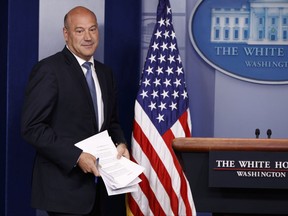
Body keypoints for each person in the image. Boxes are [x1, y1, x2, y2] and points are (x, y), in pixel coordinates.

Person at [21, 6, 129, 216]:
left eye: (93, 29)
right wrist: (77, 156)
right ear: (66, 34)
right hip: (64, 191)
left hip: (103, 190)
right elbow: (32, 128)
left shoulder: (106, 73)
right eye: (80, 31)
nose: (88, 37)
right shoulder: (49, 70)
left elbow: (112, 122)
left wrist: (121, 143)